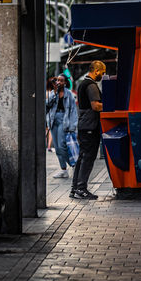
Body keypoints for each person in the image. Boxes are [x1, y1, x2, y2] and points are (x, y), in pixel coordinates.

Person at [71, 60, 106, 200]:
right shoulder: (91, 85)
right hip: (90, 126)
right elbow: (96, 106)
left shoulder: (82, 84)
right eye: (102, 73)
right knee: (88, 158)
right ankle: (81, 188)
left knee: (82, 157)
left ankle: (75, 188)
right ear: (96, 71)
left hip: (84, 125)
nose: (103, 75)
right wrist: (110, 105)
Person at [45, 75, 77, 178]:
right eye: (58, 80)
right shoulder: (53, 92)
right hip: (53, 120)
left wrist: (72, 126)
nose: (58, 82)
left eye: (61, 81)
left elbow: (73, 111)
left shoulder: (69, 95)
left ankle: (73, 164)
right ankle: (63, 170)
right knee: (57, 148)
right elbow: (47, 104)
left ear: (65, 83)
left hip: (64, 120)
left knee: (62, 145)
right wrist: (54, 92)